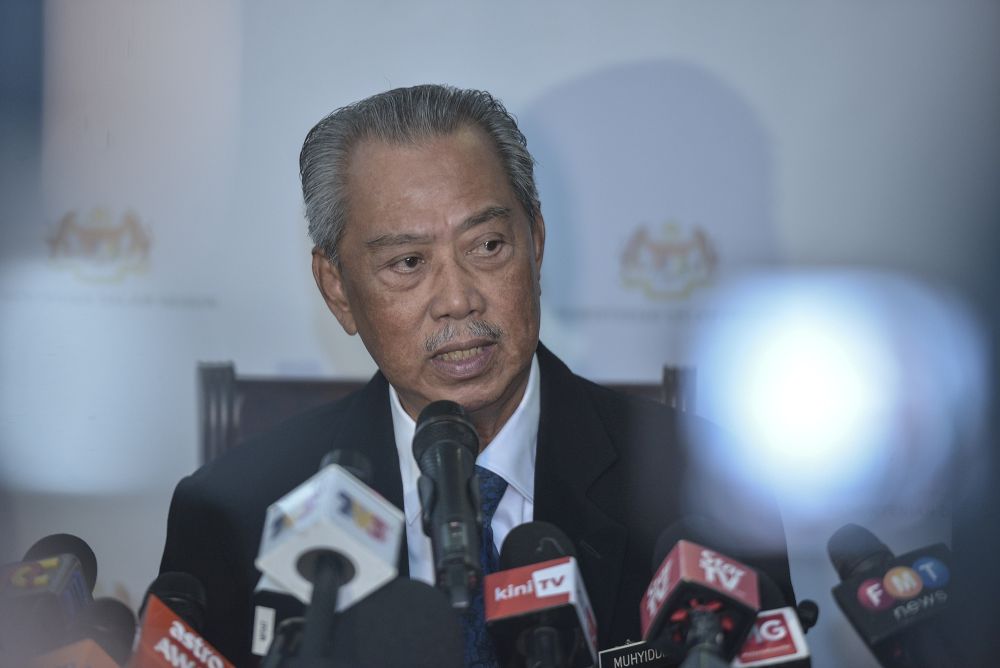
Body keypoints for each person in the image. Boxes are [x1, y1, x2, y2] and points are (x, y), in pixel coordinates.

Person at [159, 84, 795, 666]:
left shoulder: (708, 489)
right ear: (338, 291)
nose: (458, 299)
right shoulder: (233, 515)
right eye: (408, 262)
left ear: (536, 244)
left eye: (488, 246)